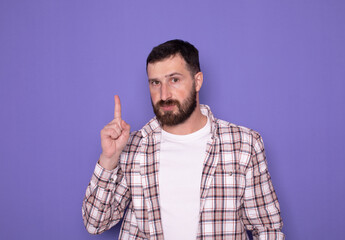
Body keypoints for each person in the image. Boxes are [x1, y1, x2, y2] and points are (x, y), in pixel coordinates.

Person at [82, 39, 285, 240]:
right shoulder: (134, 147)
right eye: (155, 83)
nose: (164, 94)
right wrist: (109, 159)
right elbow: (95, 223)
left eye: (174, 80)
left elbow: (268, 229)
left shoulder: (244, 145)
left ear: (197, 81)